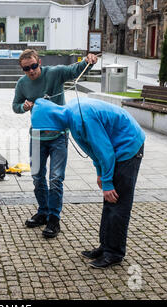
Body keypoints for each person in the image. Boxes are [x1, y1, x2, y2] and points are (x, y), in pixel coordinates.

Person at [31, 97, 145, 269]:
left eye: (45, 131)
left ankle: (114, 253)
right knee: (109, 202)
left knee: (118, 202)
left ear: (51, 121)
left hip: (127, 146)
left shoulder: (80, 118)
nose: (46, 136)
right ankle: (105, 246)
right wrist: (101, 173)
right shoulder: (70, 117)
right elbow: (94, 150)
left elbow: (105, 152)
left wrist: (107, 182)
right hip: (116, 148)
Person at [12, 49, 97, 239]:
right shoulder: (22, 84)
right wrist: (23, 107)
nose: (31, 71)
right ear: (22, 69)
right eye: (27, 69)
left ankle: (54, 219)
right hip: (36, 136)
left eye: (34, 66)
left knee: (56, 179)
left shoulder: (55, 73)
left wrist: (88, 61)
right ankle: (43, 212)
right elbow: (15, 106)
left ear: (39, 62)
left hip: (58, 135)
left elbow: (75, 70)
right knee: (37, 177)